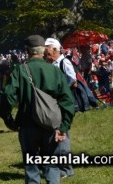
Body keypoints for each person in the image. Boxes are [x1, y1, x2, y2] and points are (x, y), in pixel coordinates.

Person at [0, 35, 75, 184]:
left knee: (31, 165)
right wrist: (64, 127)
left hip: (28, 124)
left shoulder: (20, 70)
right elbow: (67, 101)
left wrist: (8, 119)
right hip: (52, 125)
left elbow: (7, 95)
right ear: (43, 51)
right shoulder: (54, 71)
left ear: (27, 51)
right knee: (52, 163)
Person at [44, 37, 76, 179]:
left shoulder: (64, 62)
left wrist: (60, 91)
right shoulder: (51, 64)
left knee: (62, 134)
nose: (45, 53)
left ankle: (66, 169)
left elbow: (72, 80)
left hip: (62, 104)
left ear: (55, 49)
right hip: (55, 104)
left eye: (47, 50)